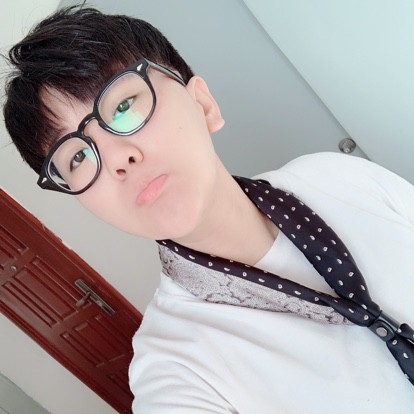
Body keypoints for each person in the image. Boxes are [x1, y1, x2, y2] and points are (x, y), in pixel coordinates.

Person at [3, 6, 414, 414]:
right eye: (77, 157)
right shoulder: (175, 372)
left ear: (202, 103)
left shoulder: (339, 176)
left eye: (124, 106)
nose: (116, 159)